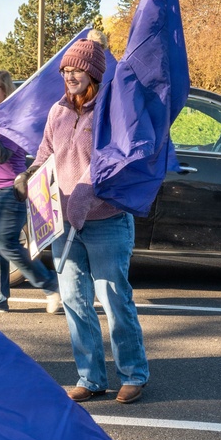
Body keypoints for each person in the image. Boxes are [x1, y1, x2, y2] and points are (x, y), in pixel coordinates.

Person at [22, 30, 148, 405]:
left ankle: (133, 374)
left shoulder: (111, 110)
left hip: (106, 221)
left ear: (94, 74)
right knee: (75, 301)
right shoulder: (57, 111)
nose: (70, 76)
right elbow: (45, 152)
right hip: (62, 222)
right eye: (65, 71)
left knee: (114, 300)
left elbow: (112, 162)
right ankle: (90, 377)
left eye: (77, 70)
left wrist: (82, 195)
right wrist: (29, 176)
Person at [0, 70, 63, 315]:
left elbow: (2, 157)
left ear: (5, 92)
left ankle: (52, 285)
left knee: (7, 244)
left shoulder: (12, 123)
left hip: (9, 192)